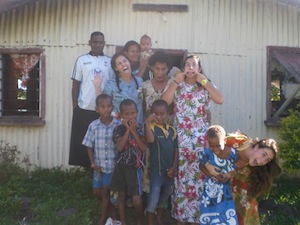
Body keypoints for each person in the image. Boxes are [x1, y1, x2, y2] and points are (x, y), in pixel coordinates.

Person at [162, 55, 224, 225]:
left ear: (199, 69)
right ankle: (181, 217)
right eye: (187, 65)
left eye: (194, 65)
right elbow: (164, 103)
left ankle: (198, 218)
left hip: (200, 142)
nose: (190, 68)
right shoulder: (178, 85)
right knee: (181, 179)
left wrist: (204, 81)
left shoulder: (205, 85)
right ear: (183, 68)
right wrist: (175, 82)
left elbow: (220, 99)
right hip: (180, 141)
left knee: (199, 179)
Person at [205, 132, 282, 225]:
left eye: (267, 160)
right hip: (210, 181)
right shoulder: (239, 141)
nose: (262, 161)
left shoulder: (251, 169)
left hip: (237, 196)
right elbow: (209, 144)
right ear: (257, 146)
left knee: (245, 209)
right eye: (263, 154)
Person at [69, 31, 114, 167]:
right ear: (90, 43)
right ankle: (88, 174)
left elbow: (112, 85)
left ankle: (102, 174)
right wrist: (75, 106)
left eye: (101, 42)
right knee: (83, 145)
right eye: (95, 42)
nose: (98, 44)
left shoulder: (109, 61)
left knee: (102, 144)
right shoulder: (82, 60)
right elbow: (75, 84)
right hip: (85, 109)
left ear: (104, 44)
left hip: (104, 110)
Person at [82, 94, 121, 225]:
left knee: (105, 192)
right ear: (97, 109)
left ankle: (103, 217)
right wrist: (92, 163)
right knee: (97, 192)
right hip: (98, 167)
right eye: (102, 106)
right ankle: (113, 208)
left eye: (109, 106)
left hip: (112, 167)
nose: (106, 109)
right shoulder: (93, 126)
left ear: (112, 107)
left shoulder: (118, 124)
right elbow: (88, 145)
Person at [109, 99, 148, 225]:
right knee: (121, 197)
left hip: (135, 169)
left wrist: (133, 131)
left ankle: (139, 221)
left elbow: (143, 147)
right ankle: (123, 222)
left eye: (133, 113)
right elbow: (120, 147)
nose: (130, 116)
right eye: (126, 114)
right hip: (121, 168)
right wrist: (127, 130)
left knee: (137, 199)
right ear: (120, 115)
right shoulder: (118, 129)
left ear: (137, 112)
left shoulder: (140, 128)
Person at [142, 51, 174, 194]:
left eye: (164, 69)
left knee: (168, 162)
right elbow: (141, 109)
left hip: (168, 133)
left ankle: (166, 200)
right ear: (151, 68)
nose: (160, 72)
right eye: (157, 68)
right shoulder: (145, 86)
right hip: (150, 132)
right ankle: (149, 197)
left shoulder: (173, 85)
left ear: (168, 69)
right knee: (150, 161)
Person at [144, 99, 179, 225]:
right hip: (157, 172)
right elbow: (150, 140)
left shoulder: (172, 130)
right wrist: (147, 123)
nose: (159, 117)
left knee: (165, 196)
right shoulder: (152, 128)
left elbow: (176, 150)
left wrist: (174, 167)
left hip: (169, 172)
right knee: (153, 198)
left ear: (168, 113)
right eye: (156, 114)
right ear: (152, 113)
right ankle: (150, 222)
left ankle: (159, 218)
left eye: (162, 114)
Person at [198, 125, 238, 225]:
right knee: (209, 214)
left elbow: (237, 167)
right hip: (210, 190)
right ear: (208, 142)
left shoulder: (232, 153)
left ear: (224, 141)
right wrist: (212, 175)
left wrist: (229, 175)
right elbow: (201, 166)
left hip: (227, 190)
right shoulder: (206, 153)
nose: (215, 149)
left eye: (218, 145)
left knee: (227, 216)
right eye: (212, 146)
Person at [103, 52, 144, 125]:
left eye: (125, 61)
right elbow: (106, 106)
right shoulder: (111, 84)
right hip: (119, 126)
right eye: (119, 63)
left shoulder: (139, 81)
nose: (124, 64)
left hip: (138, 126)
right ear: (116, 68)